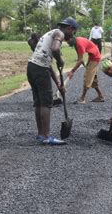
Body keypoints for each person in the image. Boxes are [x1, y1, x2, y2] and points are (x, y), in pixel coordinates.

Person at [27, 17, 77, 145]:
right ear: (70, 28)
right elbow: (55, 49)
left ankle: (40, 134)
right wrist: (60, 60)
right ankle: (46, 136)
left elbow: (48, 65)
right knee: (46, 103)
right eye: (73, 32)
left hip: (32, 67)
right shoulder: (59, 33)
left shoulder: (50, 33)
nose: (72, 35)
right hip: (40, 69)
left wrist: (58, 84)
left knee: (39, 102)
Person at [66, 36, 105, 104]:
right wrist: (84, 63)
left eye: (68, 40)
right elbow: (80, 58)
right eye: (66, 41)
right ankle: (101, 96)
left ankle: (82, 98)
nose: (67, 43)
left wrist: (72, 71)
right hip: (92, 56)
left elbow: (80, 60)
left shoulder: (79, 44)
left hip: (95, 58)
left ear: (71, 38)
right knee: (92, 78)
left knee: (87, 77)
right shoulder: (76, 42)